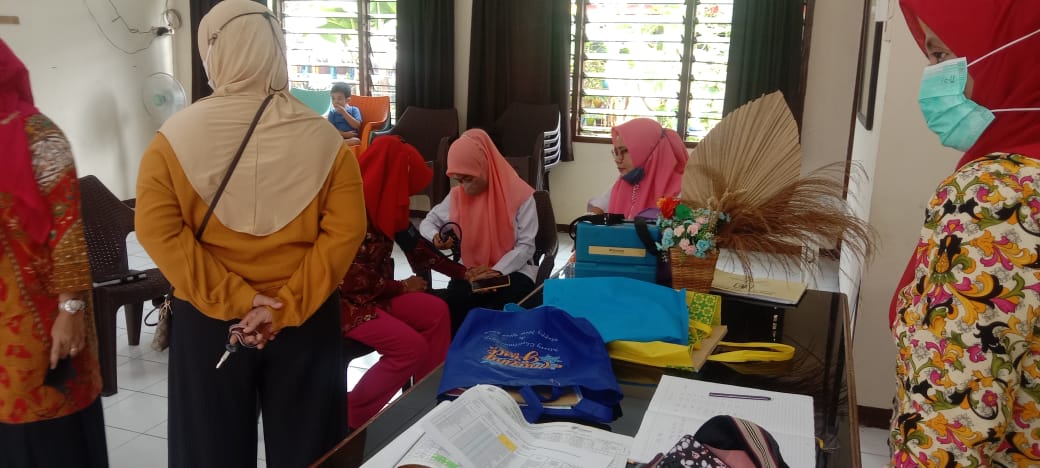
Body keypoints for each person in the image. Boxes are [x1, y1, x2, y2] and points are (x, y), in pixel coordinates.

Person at [134, 1, 366, 467]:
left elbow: (156, 230)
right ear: (276, 49)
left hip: (208, 319)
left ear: (213, 53)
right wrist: (285, 306)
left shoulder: (171, 140)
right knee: (310, 451)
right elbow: (346, 231)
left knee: (209, 452)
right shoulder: (326, 141)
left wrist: (236, 298)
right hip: (304, 319)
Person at [889, 2, 1040, 466]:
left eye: (940, 54)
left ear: (1007, 57)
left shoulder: (995, 195)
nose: (932, 76)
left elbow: (951, 410)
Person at [0, 39, 109, 468]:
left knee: (50, 434)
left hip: (43, 325)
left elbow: (68, 232)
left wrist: (71, 309)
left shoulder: (39, 137)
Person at [340, 135, 451, 430]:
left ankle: (426, 399)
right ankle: (351, 414)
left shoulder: (386, 203)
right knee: (410, 347)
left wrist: (465, 273)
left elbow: (420, 250)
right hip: (344, 306)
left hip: (374, 296)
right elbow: (351, 282)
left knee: (436, 311)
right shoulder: (350, 212)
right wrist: (402, 286)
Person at [421, 129, 538, 334]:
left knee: (502, 309)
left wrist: (495, 272)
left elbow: (526, 246)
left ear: (485, 166)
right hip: (471, 272)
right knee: (456, 305)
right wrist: (436, 236)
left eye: (468, 178)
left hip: (512, 271)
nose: (464, 187)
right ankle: (459, 352)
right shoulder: (457, 196)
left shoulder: (520, 195)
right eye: (458, 180)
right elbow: (428, 222)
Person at [587, 118, 689, 219]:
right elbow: (598, 208)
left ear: (647, 151)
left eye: (624, 151)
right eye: (616, 152)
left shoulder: (682, 190)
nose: (618, 159)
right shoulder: (623, 183)